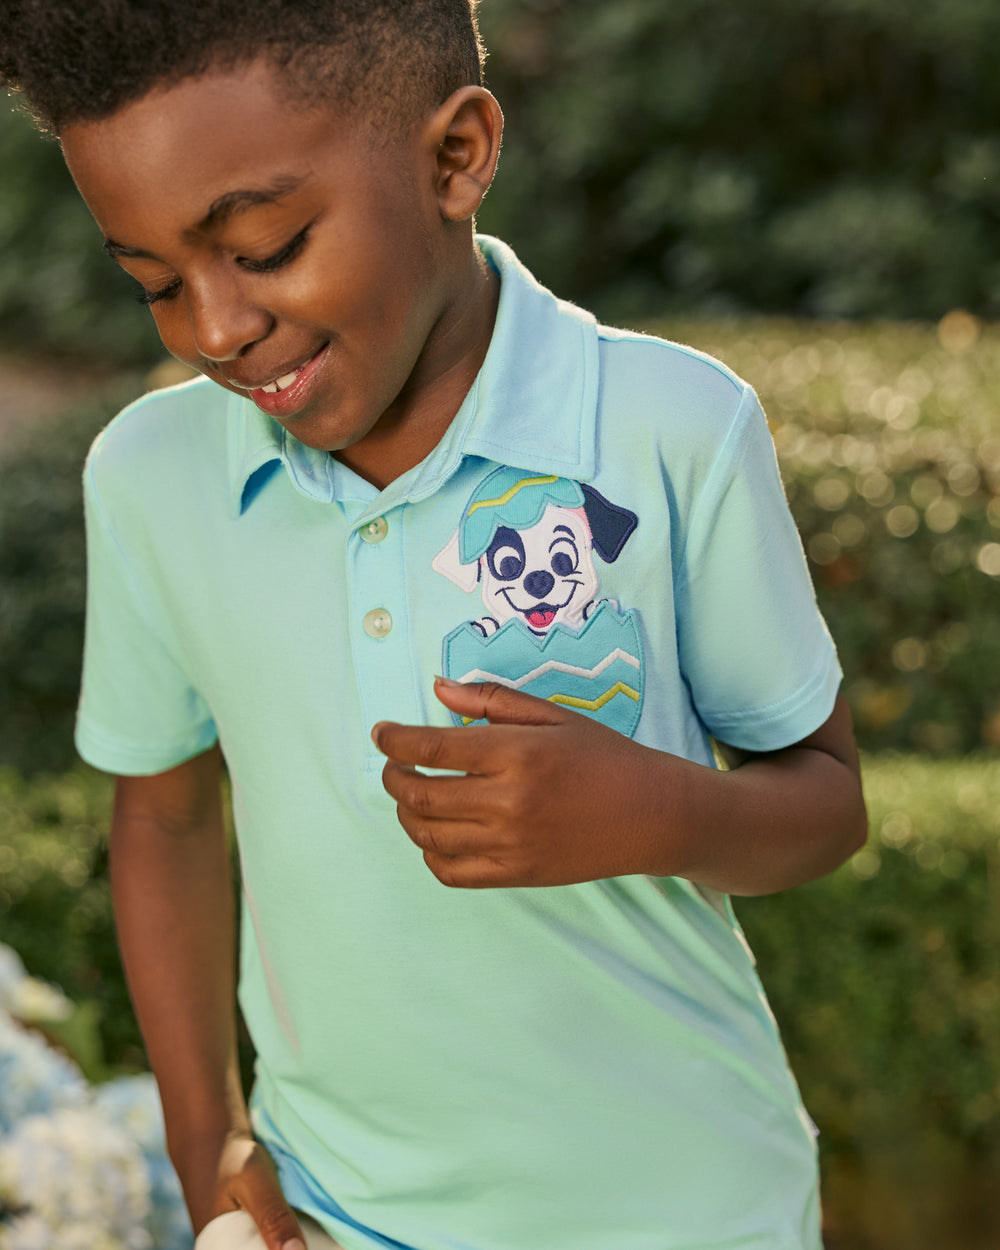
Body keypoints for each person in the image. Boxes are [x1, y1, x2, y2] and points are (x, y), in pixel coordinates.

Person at [1, 3, 868, 1248]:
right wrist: (205, 1144)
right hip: (338, 1211)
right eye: (155, 283)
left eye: (266, 246)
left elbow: (826, 801)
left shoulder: (671, 427)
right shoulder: (151, 477)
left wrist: (658, 810)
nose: (215, 329)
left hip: (687, 1207)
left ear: (456, 156)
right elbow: (166, 813)